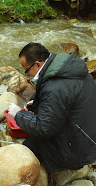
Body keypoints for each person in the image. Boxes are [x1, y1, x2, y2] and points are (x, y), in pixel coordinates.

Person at [8, 42, 96, 173]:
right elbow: (64, 102)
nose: (27, 75)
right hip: (88, 138)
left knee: (25, 150)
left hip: (75, 152)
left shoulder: (54, 87)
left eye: (26, 70)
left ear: (37, 64)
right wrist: (36, 103)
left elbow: (44, 128)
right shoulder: (67, 68)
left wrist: (18, 114)